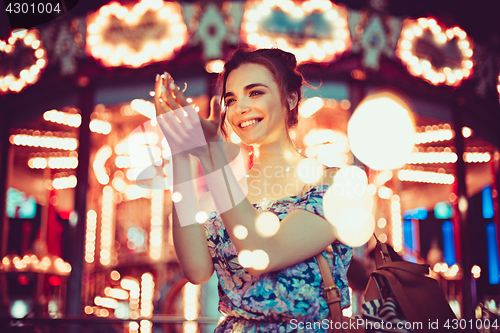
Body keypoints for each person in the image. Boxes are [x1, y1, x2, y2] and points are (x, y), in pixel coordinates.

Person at [154, 48, 352, 332]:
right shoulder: (226, 190)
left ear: (291, 97)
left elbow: (262, 253)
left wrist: (212, 157)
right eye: (231, 99)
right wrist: (182, 152)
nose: (240, 108)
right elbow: (196, 270)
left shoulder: (333, 185)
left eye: (255, 92)